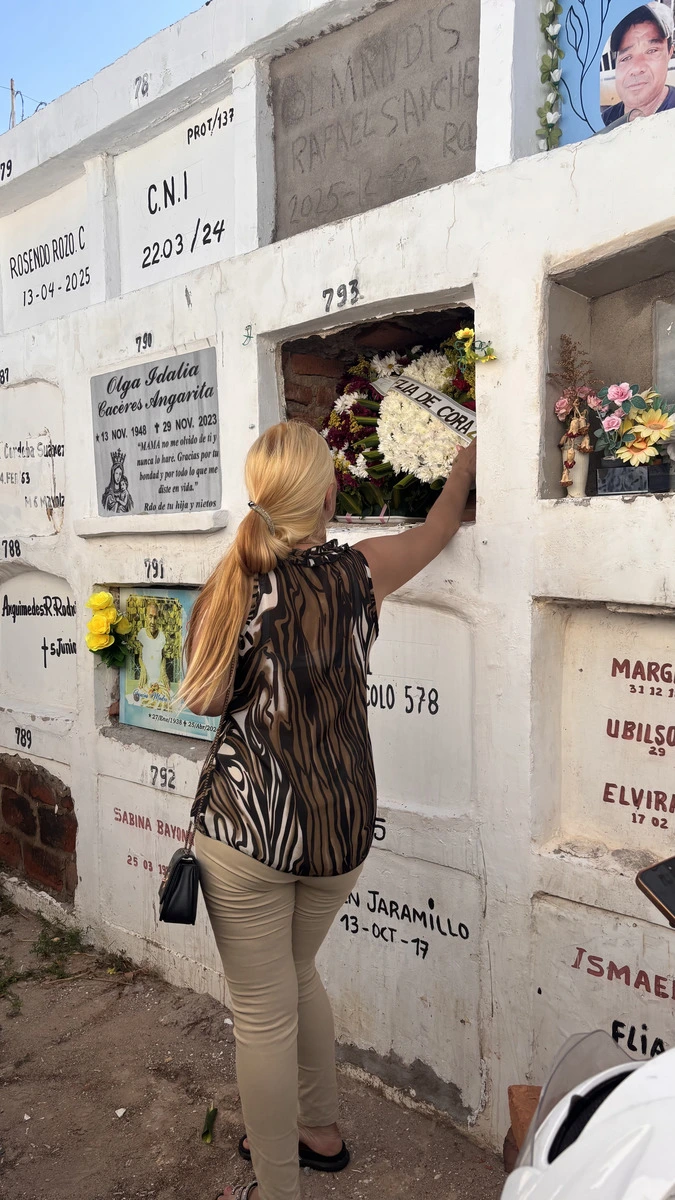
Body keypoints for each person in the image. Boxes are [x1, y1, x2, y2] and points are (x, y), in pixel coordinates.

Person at [179, 420, 476, 1200]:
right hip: (340, 827)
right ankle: (320, 1129)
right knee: (298, 971)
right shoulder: (364, 569)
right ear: (328, 491)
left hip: (251, 828)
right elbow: (440, 528)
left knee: (263, 1013)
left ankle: (278, 1188)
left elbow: (202, 698)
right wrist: (461, 472)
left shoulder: (234, 582)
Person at [602, 2, 675, 127]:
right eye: (626, 58)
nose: (636, 68)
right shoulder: (604, 124)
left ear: (669, 52)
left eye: (651, 51)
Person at [137, 601, 169, 692]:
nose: (152, 622)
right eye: (150, 617)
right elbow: (140, 657)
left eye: (155, 618)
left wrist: (163, 672)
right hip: (145, 680)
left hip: (159, 680)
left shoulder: (162, 636)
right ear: (146, 617)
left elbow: (163, 657)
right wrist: (143, 670)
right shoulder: (142, 634)